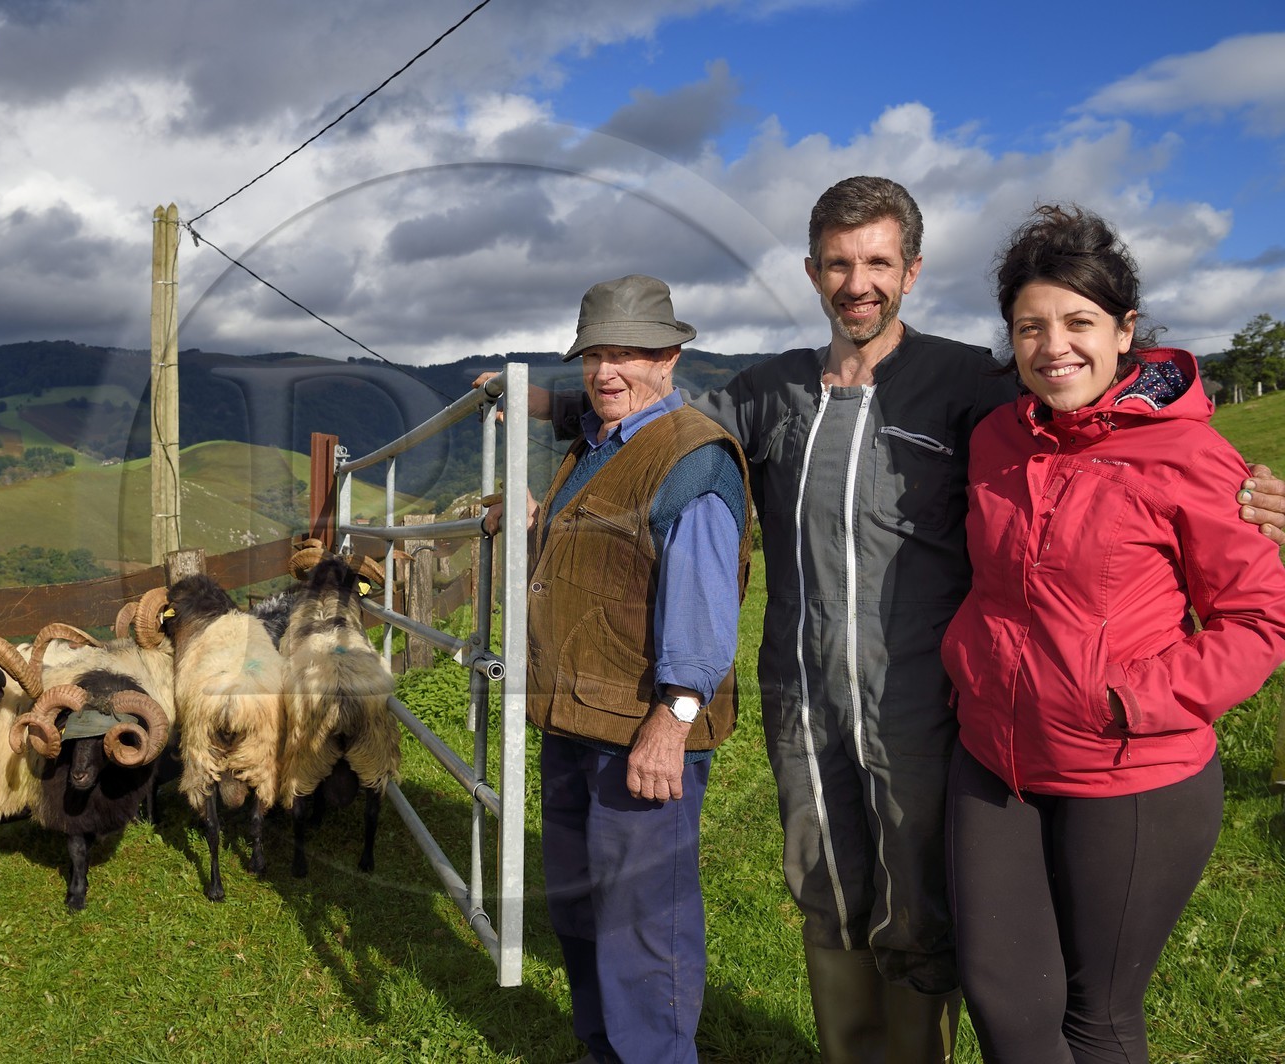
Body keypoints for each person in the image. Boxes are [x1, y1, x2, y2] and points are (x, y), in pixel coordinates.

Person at [480, 175, 1285, 1064]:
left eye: (877, 262)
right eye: (837, 263)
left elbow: (1090, 420)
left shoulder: (966, 385)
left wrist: (1250, 492)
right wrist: (547, 404)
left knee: (919, 897)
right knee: (823, 883)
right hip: (804, 690)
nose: (856, 281)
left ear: (911, 269)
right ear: (813, 272)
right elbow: (668, 426)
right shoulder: (772, 390)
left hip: (926, 696)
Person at [941, 204, 1285, 1063]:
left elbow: (1258, 619)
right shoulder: (995, 439)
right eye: (1030, 326)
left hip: (1131, 771)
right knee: (1004, 1003)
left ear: (1126, 330)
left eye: (1079, 322)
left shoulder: (1191, 455)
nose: (1054, 345)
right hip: (993, 757)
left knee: (1098, 1020)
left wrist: (1129, 698)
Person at [522, 274, 754, 1064]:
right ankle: (601, 1050)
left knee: (644, 930)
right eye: (594, 355)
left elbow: (701, 607)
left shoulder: (691, 458)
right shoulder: (598, 444)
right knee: (582, 911)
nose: (606, 371)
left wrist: (673, 720)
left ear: (670, 356)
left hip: (641, 734)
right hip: (576, 717)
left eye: (628, 354)